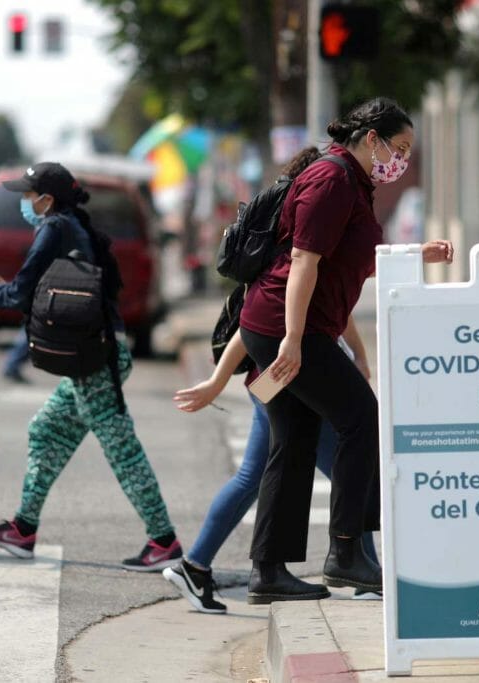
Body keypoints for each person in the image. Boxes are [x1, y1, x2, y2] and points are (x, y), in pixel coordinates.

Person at [237, 98, 454, 604]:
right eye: (397, 147)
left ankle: (268, 571)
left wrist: (412, 254)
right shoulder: (332, 179)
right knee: (362, 418)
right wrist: (292, 340)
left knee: (293, 440)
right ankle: (346, 552)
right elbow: (303, 262)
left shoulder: (354, 182)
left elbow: (350, 259)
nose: (399, 159)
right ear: (371, 138)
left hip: (285, 326)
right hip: (288, 328)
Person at [162, 148, 379, 614]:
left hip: (279, 378)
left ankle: (199, 565)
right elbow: (249, 323)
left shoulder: (303, 253)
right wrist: (217, 381)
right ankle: (358, 563)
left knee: (266, 471)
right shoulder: (288, 257)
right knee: (342, 463)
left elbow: (335, 312)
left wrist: (359, 354)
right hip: (284, 377)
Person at [0, 162, 182, 569]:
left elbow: (19, 295)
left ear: (47, 200)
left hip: (96, 363)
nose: (26, 203)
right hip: (97, 357)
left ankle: (164, 542)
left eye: (30, 196)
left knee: (124, 454)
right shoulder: (71, 224)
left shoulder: (54, 228)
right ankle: (23, 528)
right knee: (46, 429)